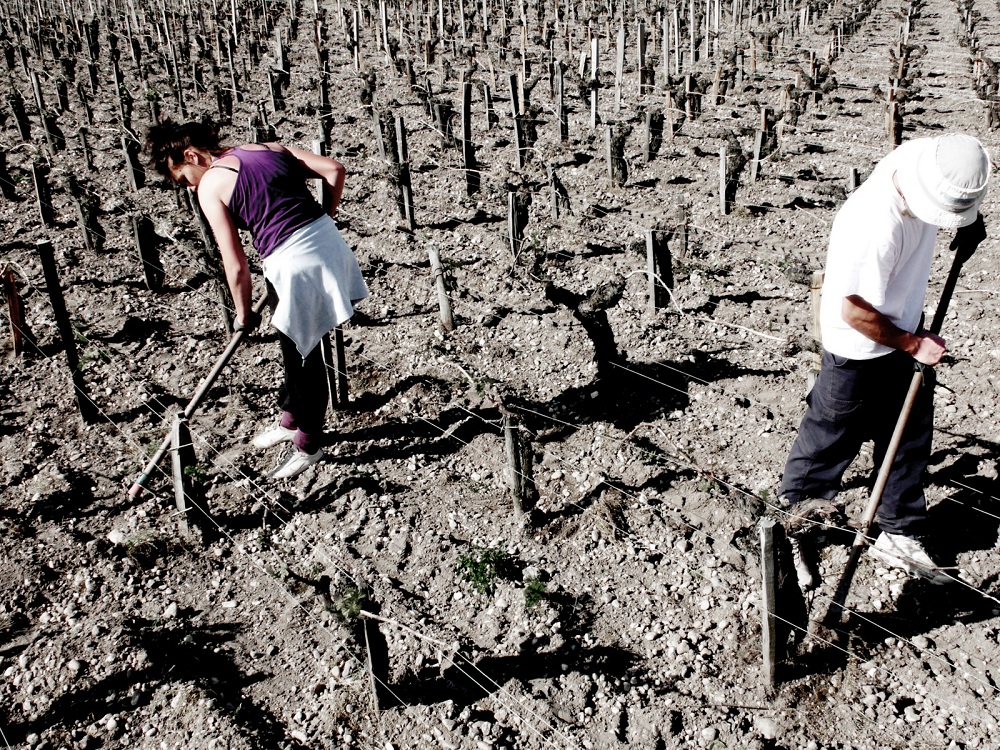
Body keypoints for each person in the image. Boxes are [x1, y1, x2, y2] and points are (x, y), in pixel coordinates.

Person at [779, 133, 990, 588]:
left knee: (910, 436)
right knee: (829, 442)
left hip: (902, 326)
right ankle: (794, 529)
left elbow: (957, 187)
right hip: (857, 345)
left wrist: (968, 223)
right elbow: (854, 312)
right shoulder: (872, 223)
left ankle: (898, 531)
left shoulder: (932, 161)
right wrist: (914, 345)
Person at [146, 119, 369, 479]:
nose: (189, 187)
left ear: (191, 155)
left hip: (293, 263)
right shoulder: (265, 148)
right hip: (328, 244)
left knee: (305, 352)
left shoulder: (211, 186)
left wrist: (243, 313)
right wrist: (324, 217)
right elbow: (334, 169)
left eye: (184, 178)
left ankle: (309, 445)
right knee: (291, 339)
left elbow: (235, 265)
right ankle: (291, 419)